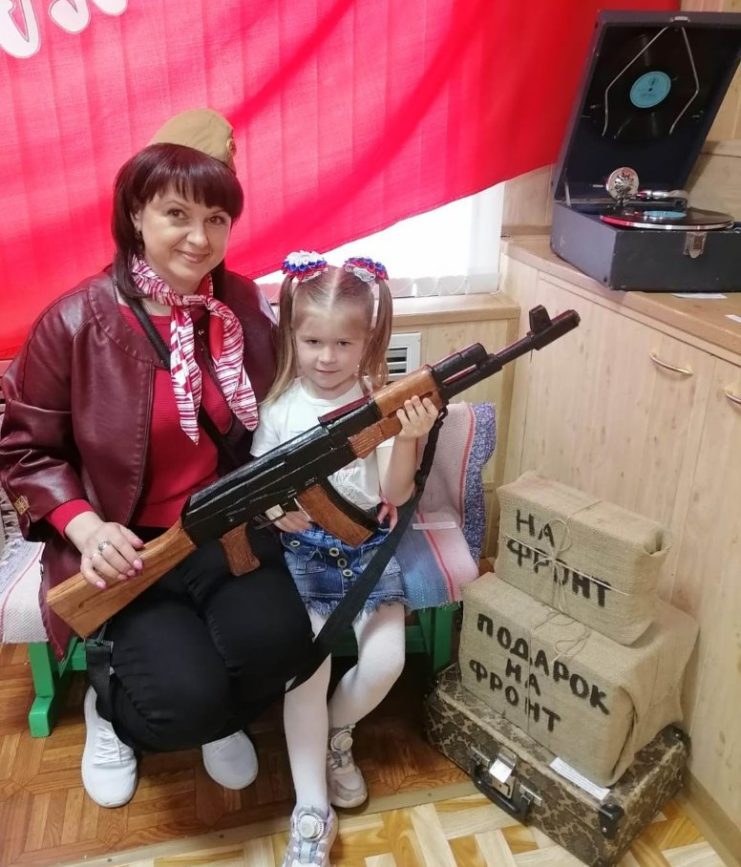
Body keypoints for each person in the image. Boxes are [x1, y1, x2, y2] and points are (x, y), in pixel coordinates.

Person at [0, 109, 314, 809]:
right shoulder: (73, 321)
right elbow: (24, 448)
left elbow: (280, 407)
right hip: (124, 546)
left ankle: (222, 717)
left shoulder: (239, 304)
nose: (199, 238)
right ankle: (111, 710)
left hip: (220, 528)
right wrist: (86, 529)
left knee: (281, 646)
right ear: (136, 213)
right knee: (179, 704)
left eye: (216, 218)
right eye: (177, 213)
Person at [250, 252, 439, 867]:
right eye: (312, 341)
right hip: (303, 555)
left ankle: (336, 734)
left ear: (368, 342)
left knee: (386, 662)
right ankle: (311, 809)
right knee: (306, 672)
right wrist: (276, 509)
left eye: (343, 343)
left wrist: (408, 436)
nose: (327, 357)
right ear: (292, 337)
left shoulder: (378, 403)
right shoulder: (279, 409)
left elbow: (395, 495)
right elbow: (257, 484)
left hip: (366, 550)